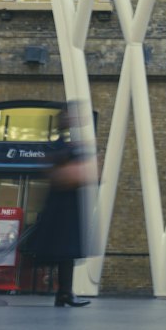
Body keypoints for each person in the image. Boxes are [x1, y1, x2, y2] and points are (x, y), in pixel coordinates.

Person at [20, 107, 97, 308]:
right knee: (61, 249)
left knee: (64, 251)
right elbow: (55, 171)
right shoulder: (59, 147)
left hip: (66, 203)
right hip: (60, 204)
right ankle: (63, 292)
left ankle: (64, 293)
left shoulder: (66, 146)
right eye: (69, 117)